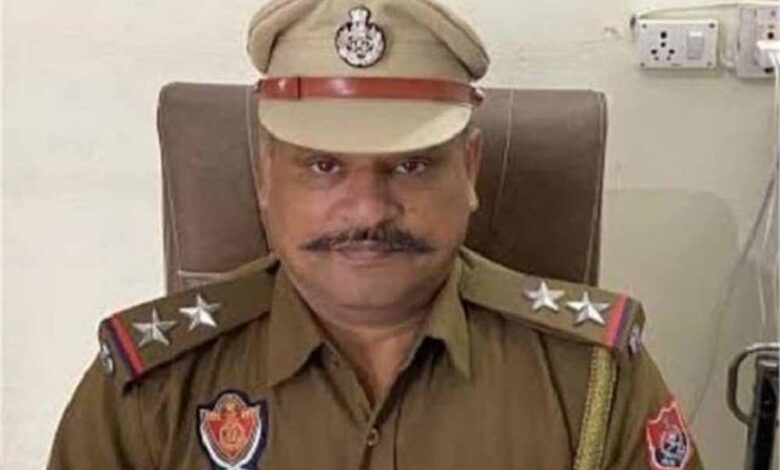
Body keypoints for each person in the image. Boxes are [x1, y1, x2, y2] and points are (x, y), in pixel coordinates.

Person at [47, 0, 703, 469]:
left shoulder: (593, 380)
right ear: (266, 175)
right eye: (323, 165)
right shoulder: (148, 391)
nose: (367, 208)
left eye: (411, 165)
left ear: (470, 170)